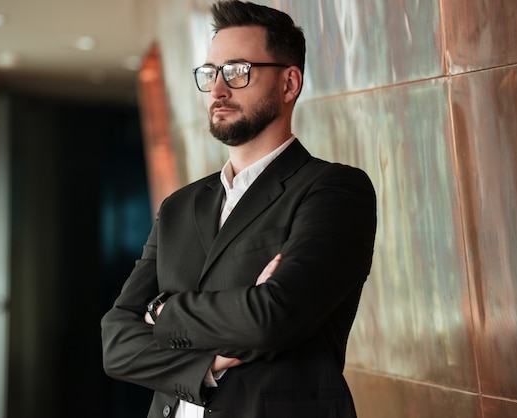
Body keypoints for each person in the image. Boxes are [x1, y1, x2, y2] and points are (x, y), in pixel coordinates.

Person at [101, 1, 377, 417]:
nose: (217, 90)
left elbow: (272, 317)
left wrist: (162, 310)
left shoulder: (333, 190)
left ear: (289, 83)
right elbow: (117, 342)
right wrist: (209, 363)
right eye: (211, 72)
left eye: (237, 71)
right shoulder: (179, 206)